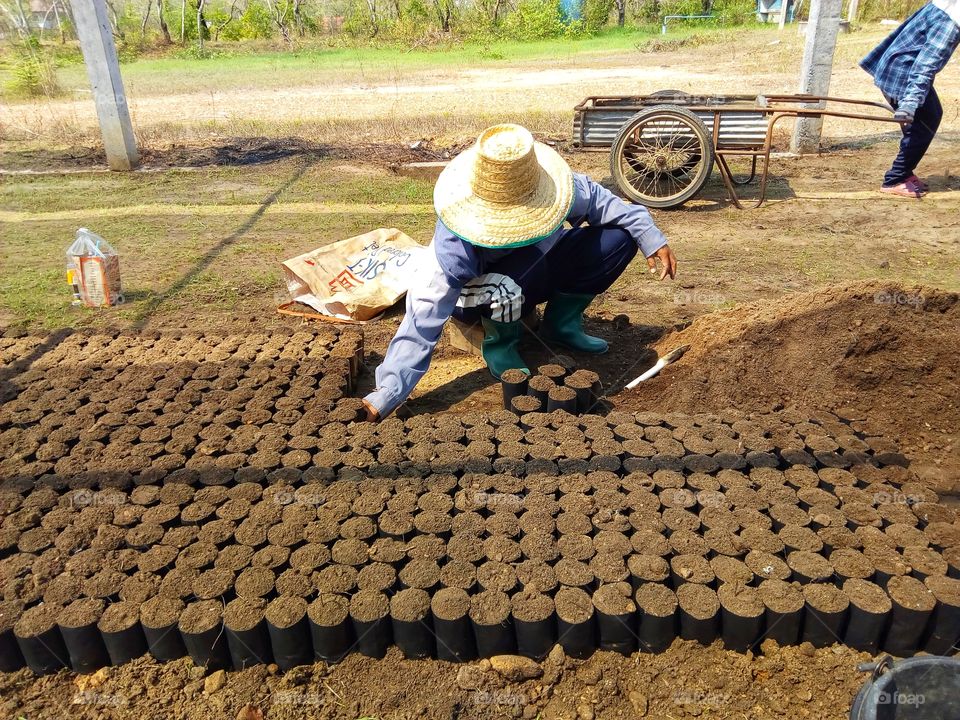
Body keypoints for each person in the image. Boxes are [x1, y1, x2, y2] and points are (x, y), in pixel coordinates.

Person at [361, 123, 677, 421]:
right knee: (506, 285)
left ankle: (561, 325)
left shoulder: (557, 189)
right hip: (478, 295)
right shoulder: (453, 249)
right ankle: (501, 344)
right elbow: (421, 322)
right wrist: (385, 395)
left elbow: (610, 205)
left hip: (536, 267)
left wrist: (651, 238)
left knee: (619, 239)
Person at [860, 0, 960, 198]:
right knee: (926, 121)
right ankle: (895, 179)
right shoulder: (950, 23)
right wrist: (909, 103)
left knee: (930, 115)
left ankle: (904, 172)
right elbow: (925, 65)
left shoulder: (945, 5)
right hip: (903, 75)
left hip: (896, 67)